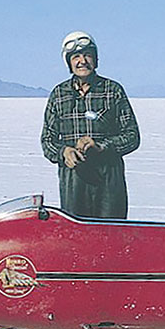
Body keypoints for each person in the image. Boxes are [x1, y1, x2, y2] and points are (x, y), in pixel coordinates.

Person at [41, 31, 140, 219]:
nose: (82, 61)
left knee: (111, 235)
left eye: (87, 55)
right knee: (77, 238)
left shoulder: (112, 90)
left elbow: (132, 136)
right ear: (68, 62)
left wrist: (101, 146)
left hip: (109, 178)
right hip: (73, 179)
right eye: (76, 57)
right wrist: (64, 152)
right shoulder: (59, 95)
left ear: (96, 59)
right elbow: (47, 141)